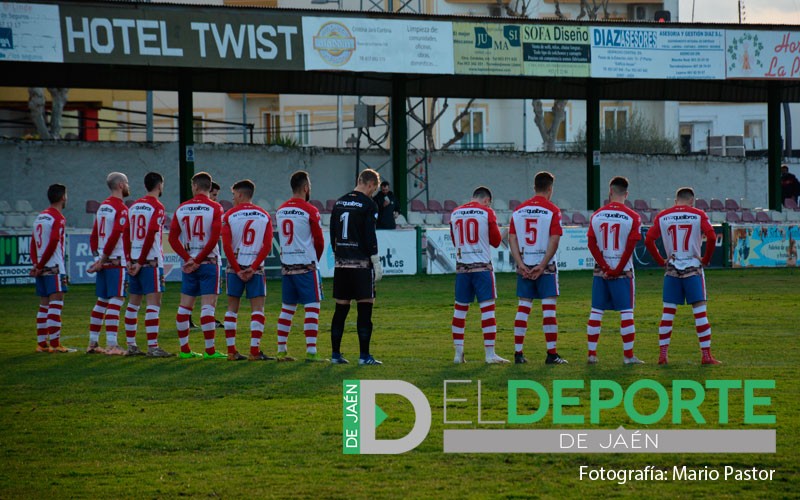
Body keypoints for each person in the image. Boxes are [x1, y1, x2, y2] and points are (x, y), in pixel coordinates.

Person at [646, 187, 721, 365]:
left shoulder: (663, 216)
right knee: (700, 313)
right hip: (693, 267)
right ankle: (706, 355)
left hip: (672, 268)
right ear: (692, 201)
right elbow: (711, 237)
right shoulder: (698, 214)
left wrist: (660, 260)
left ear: (675, 200)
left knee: (668, 313)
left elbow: (648, 239)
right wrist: (706, 259)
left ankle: (663, 355)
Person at [508, 172, 566, 365]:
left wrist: (521, 264)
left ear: (534, 187)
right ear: (550, 189)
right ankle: (551, 354)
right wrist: (542, 265)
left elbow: (512, 239)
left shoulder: (519, 210)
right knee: (548, 310)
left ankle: (518, 354)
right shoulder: (553, 210)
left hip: (525, 265)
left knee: (523, 308)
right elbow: (555, 239)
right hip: (545, 267)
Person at [585, 176, 644, 365]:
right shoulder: (633, 217)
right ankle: (628, 356)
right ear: (626, 194)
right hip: (623, 271)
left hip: (601, 271)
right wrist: (617, 269)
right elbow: (630, 247)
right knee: (626, 312)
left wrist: (604, 266)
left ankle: (592, 354)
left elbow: (591, 244)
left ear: (610, 192)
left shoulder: (597, 215)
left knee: (596, 312)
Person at [329, 168, 383, 365]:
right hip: (361, 265)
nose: (373, 193)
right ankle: (364, 356)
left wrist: (339, 255)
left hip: (342, 264)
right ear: (370, 184)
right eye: (374, 189)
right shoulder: (369, 204)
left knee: (340, 309)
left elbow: (333, 233)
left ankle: (335, 354)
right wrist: (375, 261)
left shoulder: (340, 202)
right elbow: (370, 235)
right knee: (365, 308)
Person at [169, 171, 225, 360]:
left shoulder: (182, 208)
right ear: (209, 188)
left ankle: (185, 350)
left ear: (194, 186)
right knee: (208, 307)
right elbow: (215, 238)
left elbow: (172, 238)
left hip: (188, 264)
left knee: (185, 307)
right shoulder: (215, 208)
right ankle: (210, 351)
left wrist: (188, 259)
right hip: (208, 262)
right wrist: (199, 259)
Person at [450, 186, 507, 364]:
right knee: (487, 310)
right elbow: (497, 242)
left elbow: (455, 240)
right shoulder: (486, 212)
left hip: (462, 269)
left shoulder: (455, 213)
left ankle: (458, 354)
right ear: (487, 200)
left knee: (460, 311)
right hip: (482, 268)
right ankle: (490, 354)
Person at [275, 171, 326, 362]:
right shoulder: (310, 210)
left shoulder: (280, 210)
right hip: (306, 265)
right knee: (312, 308)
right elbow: (319, 240)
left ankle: (281, 350)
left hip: (287, 266)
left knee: (287, 309)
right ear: (306, 188)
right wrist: (315, 260)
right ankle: (311, 351)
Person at [221, 179, 274, 361]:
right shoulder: (264, 215)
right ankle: (254, 351)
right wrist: (253, 267)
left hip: (234, 269)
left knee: (231, 309)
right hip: (256, 269)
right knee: (257, 310)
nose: (233, 198)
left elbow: (226, 246)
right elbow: (267, 246)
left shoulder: (229, 215)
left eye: (234, 194)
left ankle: (231, 351)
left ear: (241, 194)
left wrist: (237, 269)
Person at [124, 172, 173, 358]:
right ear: (159, 185)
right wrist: (142, 260)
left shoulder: (134, 206)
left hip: (135, 260)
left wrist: (130, 260)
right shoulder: (157, 207)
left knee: (133, 303)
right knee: (154, 303)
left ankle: (131, 345)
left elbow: (126, 234)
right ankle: (153, 347)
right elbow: (152, 233)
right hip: (150, 262)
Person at [85, 172, 131, 356]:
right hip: (115, 260)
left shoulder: (103, 206)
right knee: (116, 300)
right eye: (127, 183)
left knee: (102, 301)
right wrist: (103, 258)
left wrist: (97, 258)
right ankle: (112, 344)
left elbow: (94, 234)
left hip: (103, 260)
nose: (128, 186)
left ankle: (93, 342)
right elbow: (115, 236)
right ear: (120, 185)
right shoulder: (121, 208)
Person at [30, 183, 75, 353]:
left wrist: (36, 264)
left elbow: (33, 243)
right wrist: (41, 265)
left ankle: (42, 344)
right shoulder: (58, 218)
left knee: (44, 306)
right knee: (56, 305)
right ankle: (56, 345)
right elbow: (54, 241)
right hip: (54, 267)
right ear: (63, 197)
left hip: (42, 268)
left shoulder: (40, 217)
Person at [190, 181, 224, 329]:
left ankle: (195, 319)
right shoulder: (212, 209)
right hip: (206, 257)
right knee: (207, 293)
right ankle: (202, 320)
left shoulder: (190, 209)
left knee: (191, 293)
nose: (215, 198)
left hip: (192, 256)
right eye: (214, 194)